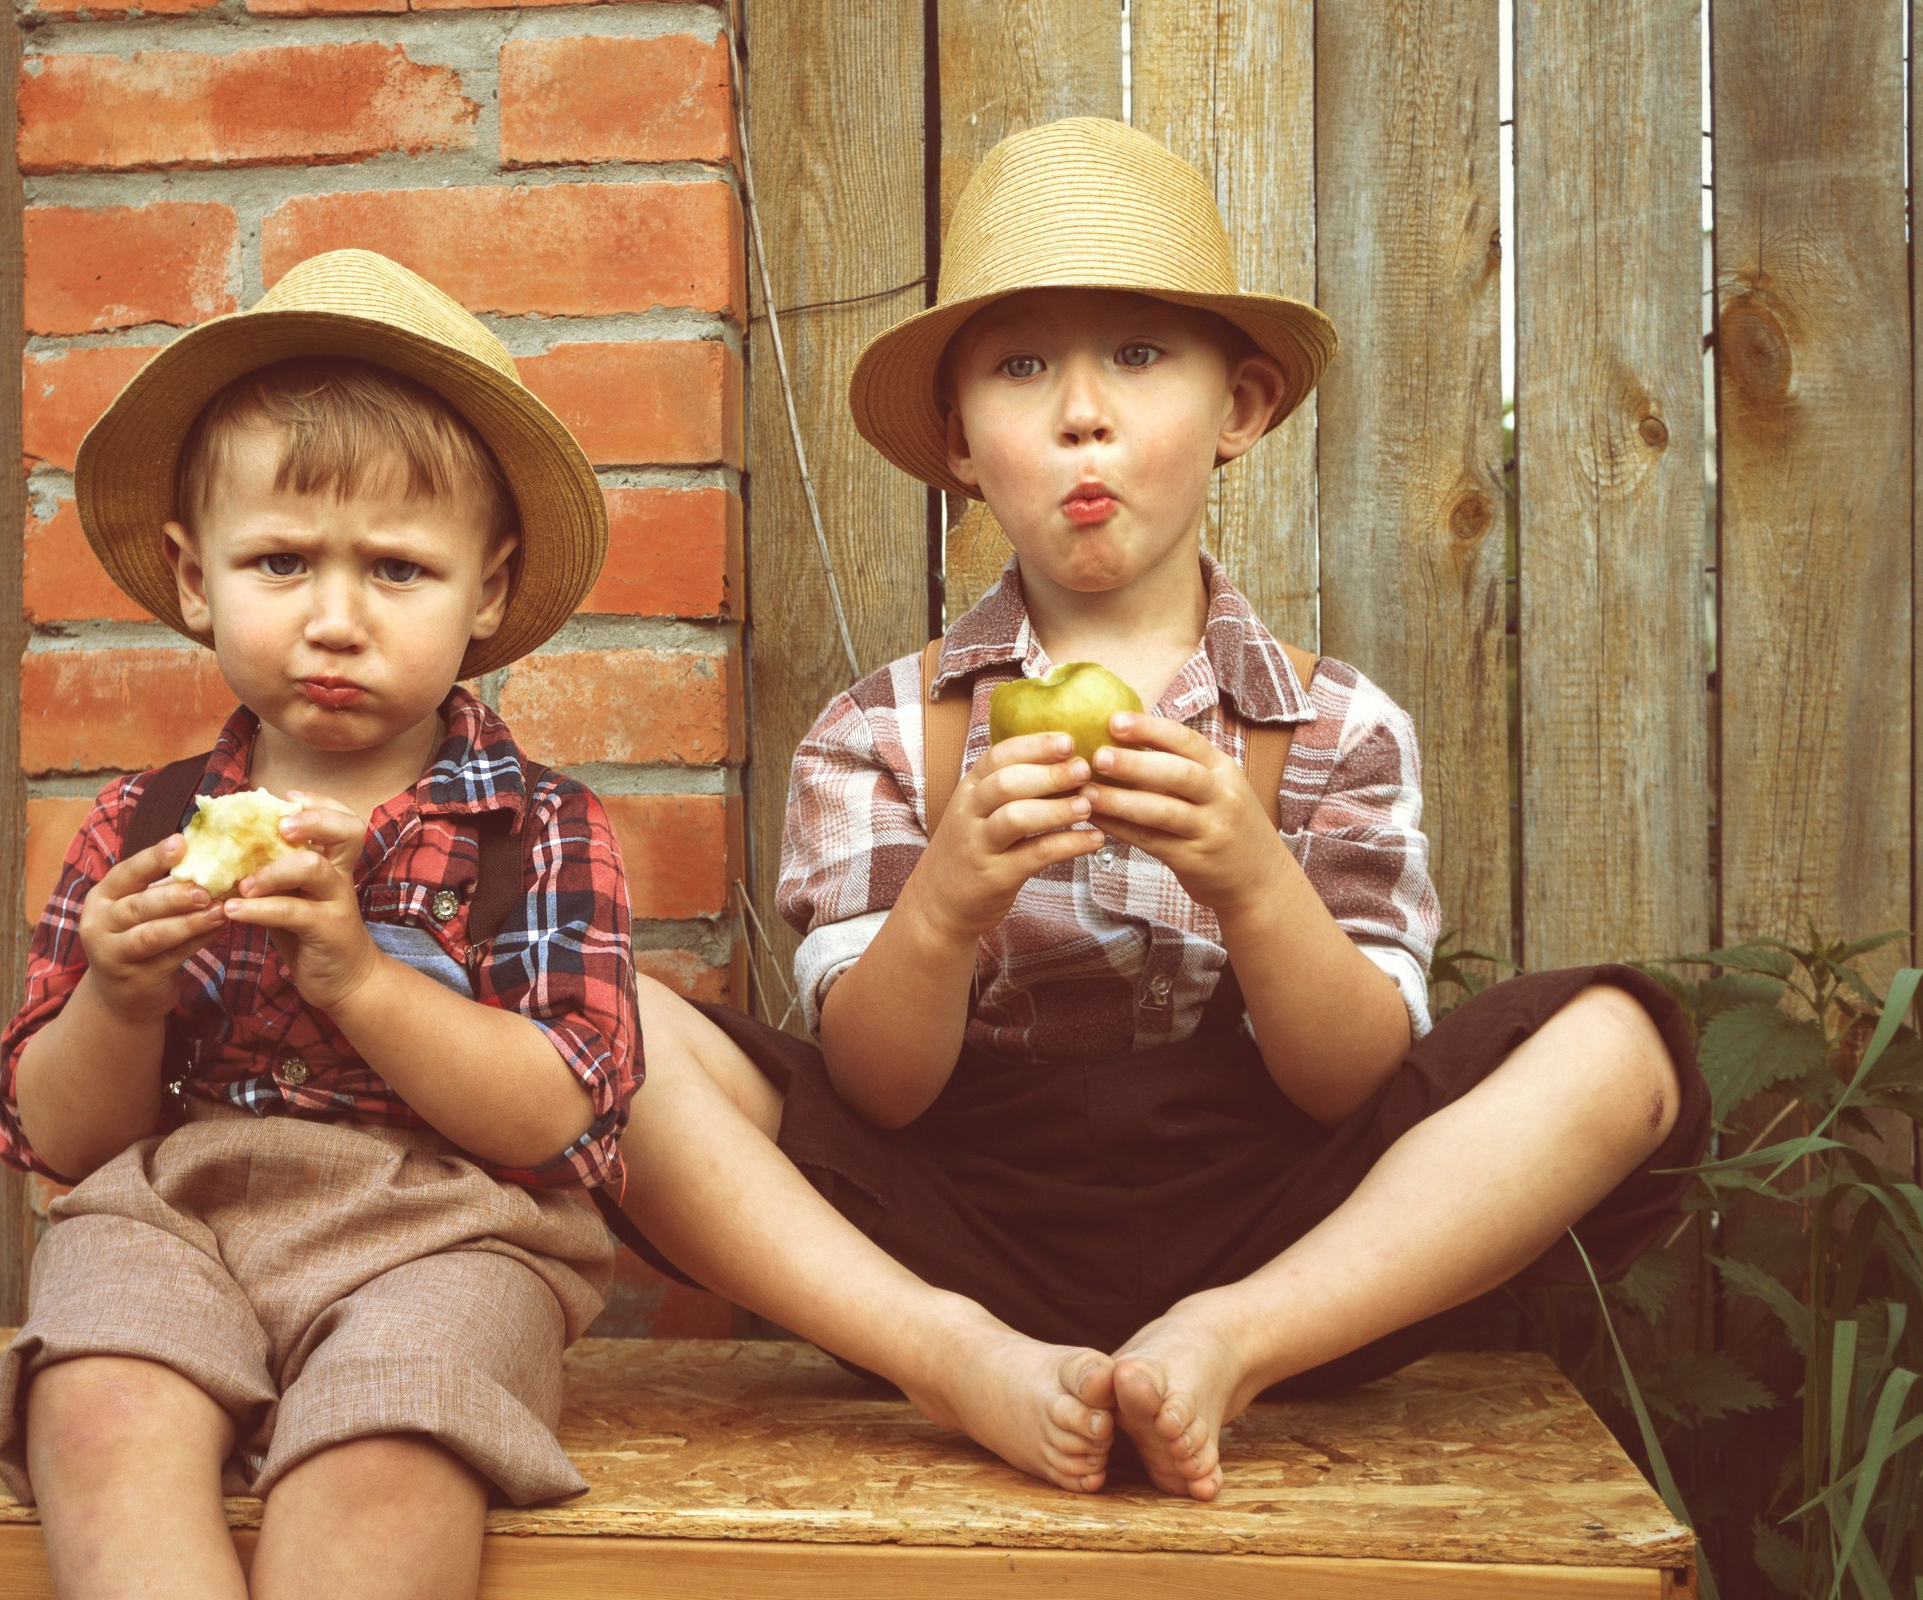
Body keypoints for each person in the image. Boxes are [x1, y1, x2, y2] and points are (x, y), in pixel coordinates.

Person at [602, 118, 1711, 1503]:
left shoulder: (1334, 725)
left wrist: (1253, 880)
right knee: (606, 1033)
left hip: (1279, 1232)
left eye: (1136, 356)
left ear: (1240, 407)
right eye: (1021, 368)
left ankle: (1231, 1347)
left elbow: (1350, 1083)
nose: (1082, 413)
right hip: (952, 1232)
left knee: (1622, 1046)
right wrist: (946, 906)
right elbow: (878, 1090)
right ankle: (948, 1359)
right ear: (958, 439)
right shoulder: (882, 730)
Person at [0, 249, 641, 1600]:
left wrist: (358, 978)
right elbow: (62, 1141)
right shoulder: (140, 823)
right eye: (280, 561)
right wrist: (118, 996)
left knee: (391, 1451)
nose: (335, 621)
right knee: (94, 1406)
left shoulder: (541, 831)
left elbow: (555, 1122)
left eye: (397, 570)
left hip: (450, 1233)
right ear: (194, 578)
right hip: (176, 1216)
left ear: (487, 593)